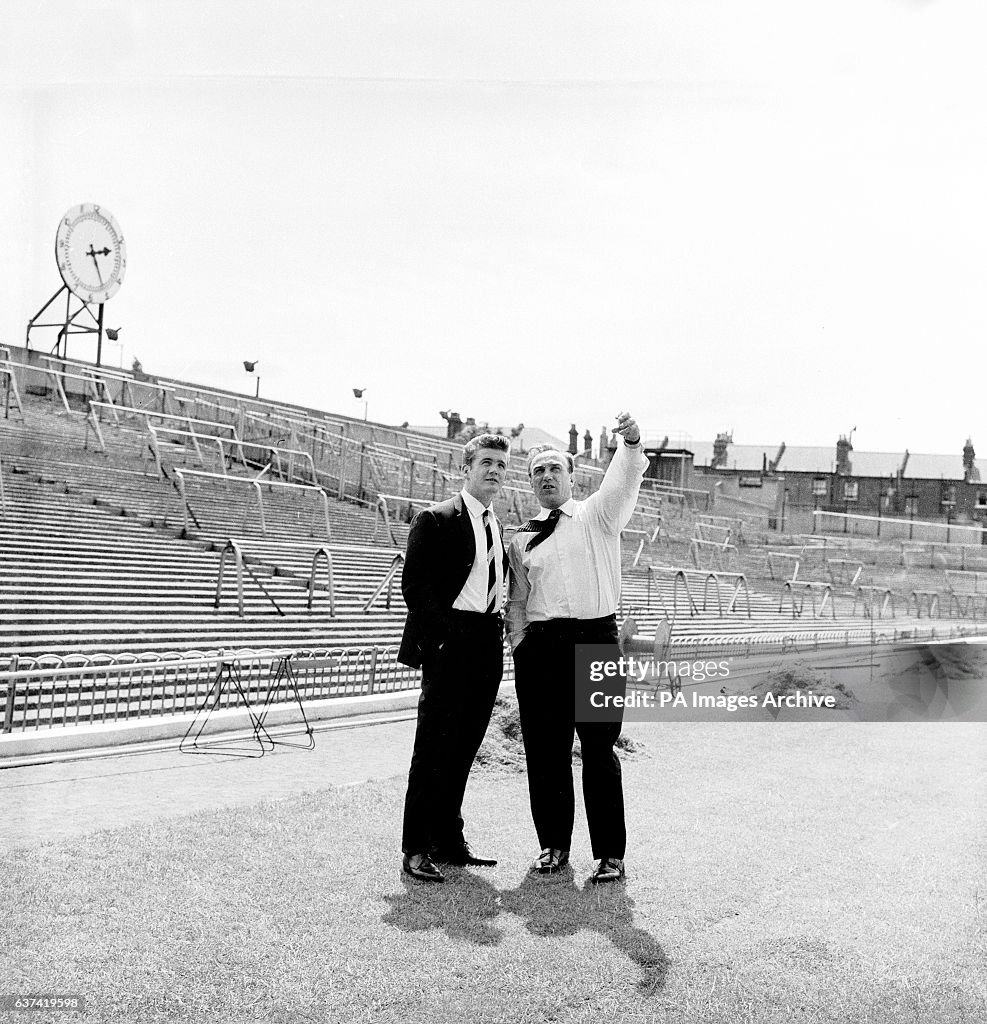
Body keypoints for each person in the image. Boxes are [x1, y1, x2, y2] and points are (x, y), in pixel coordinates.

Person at [506, 411, 647, 883]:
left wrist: (629, 445)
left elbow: (621, 486)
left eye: (554, 470)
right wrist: (521, 647)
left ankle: (610, 854)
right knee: (546, 752)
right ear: (530, 484)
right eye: (537, 473)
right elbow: (518, 600)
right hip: (543, 648)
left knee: (599, 749)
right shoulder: (523, 537)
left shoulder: (598, 515)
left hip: (596, 642)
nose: (546, 477)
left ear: (572, 476)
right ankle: (553, 846)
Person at [398, 433, 511, 882]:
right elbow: (416, 589)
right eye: (486, 462)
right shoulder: (437, 518)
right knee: (433, 749)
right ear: (466, 467)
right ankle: (416, 848)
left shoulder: (496, 525)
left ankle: (448, 839)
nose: (494, 471)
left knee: (465, 748)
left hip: (487, 642)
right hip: (451, 643)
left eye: (501, 465)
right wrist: (445, 639)